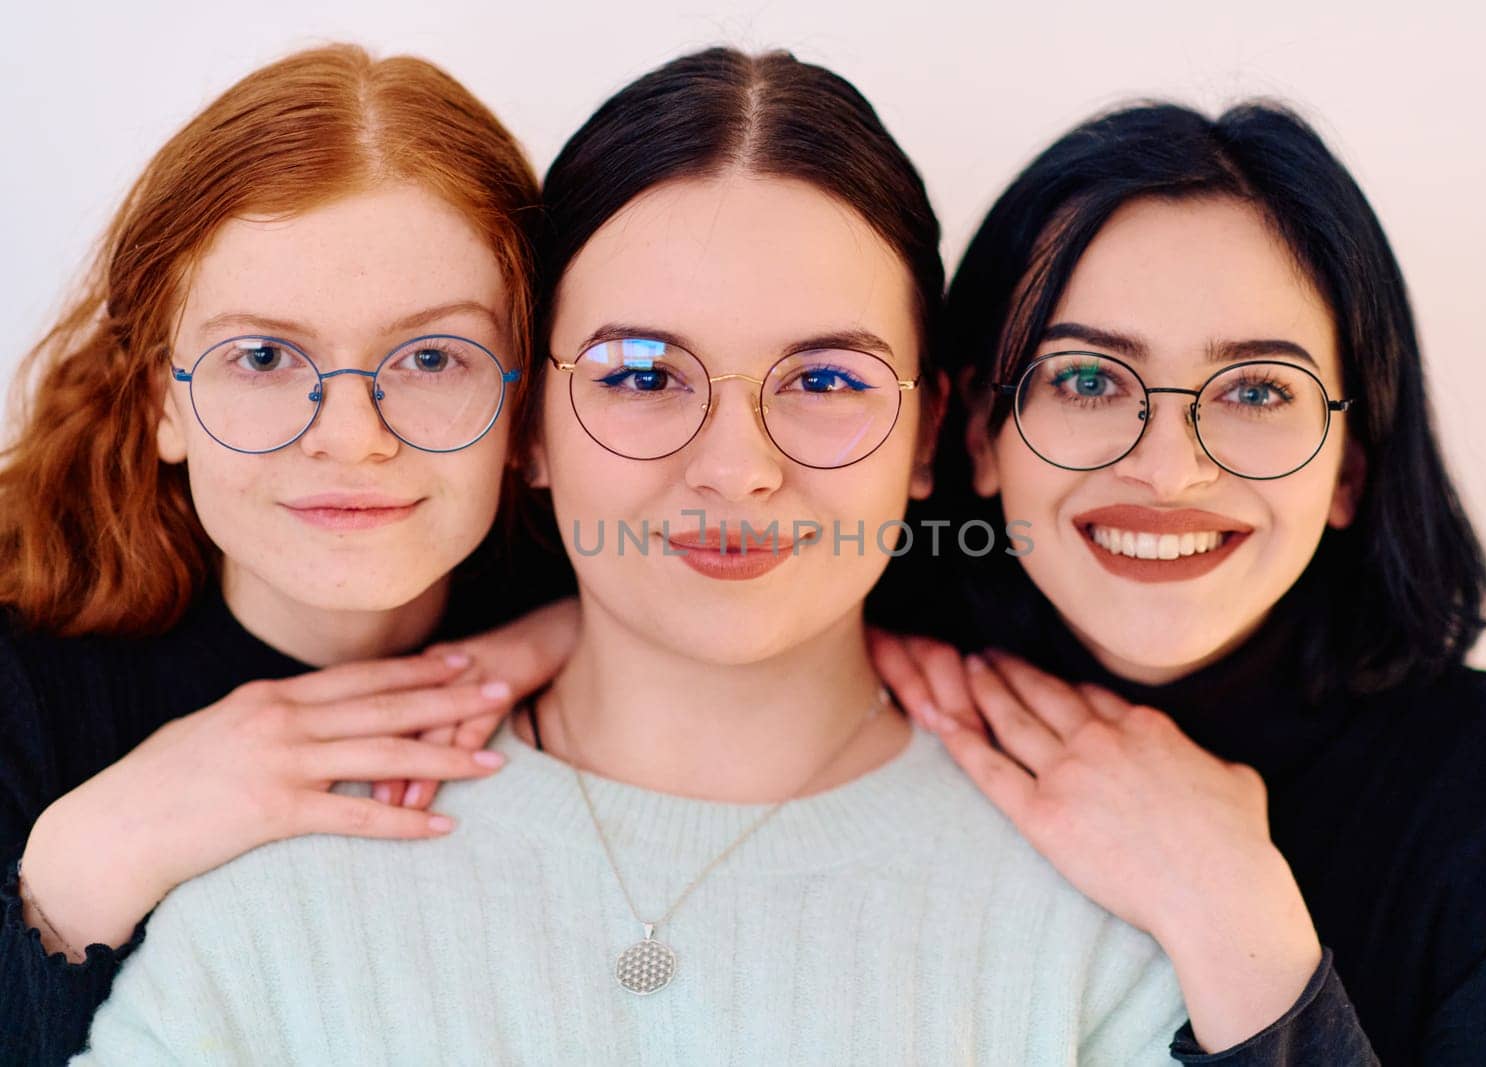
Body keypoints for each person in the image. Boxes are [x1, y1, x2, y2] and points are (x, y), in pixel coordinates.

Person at [72, 47, 1188, 1064]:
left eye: (827, 381)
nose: (737, 469)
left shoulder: (1102, 895)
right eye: (645, 376)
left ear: (928, 434)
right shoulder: (272, 874)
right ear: (532, 431)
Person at [870, 102, 1486, 1063]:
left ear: (1351, 465)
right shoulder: (859, 725)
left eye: (1257, 391)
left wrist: (1228, 912)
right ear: (980, 436)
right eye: (1088, 381)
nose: (1169, 472)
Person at [0, 44, 575, 1066]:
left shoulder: (595, 605)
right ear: (159, 402)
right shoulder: (19, 672)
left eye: (432, 356)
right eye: (262, 357)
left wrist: (580, 629)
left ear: (521, 404)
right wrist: (81, 868)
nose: (352, 435)